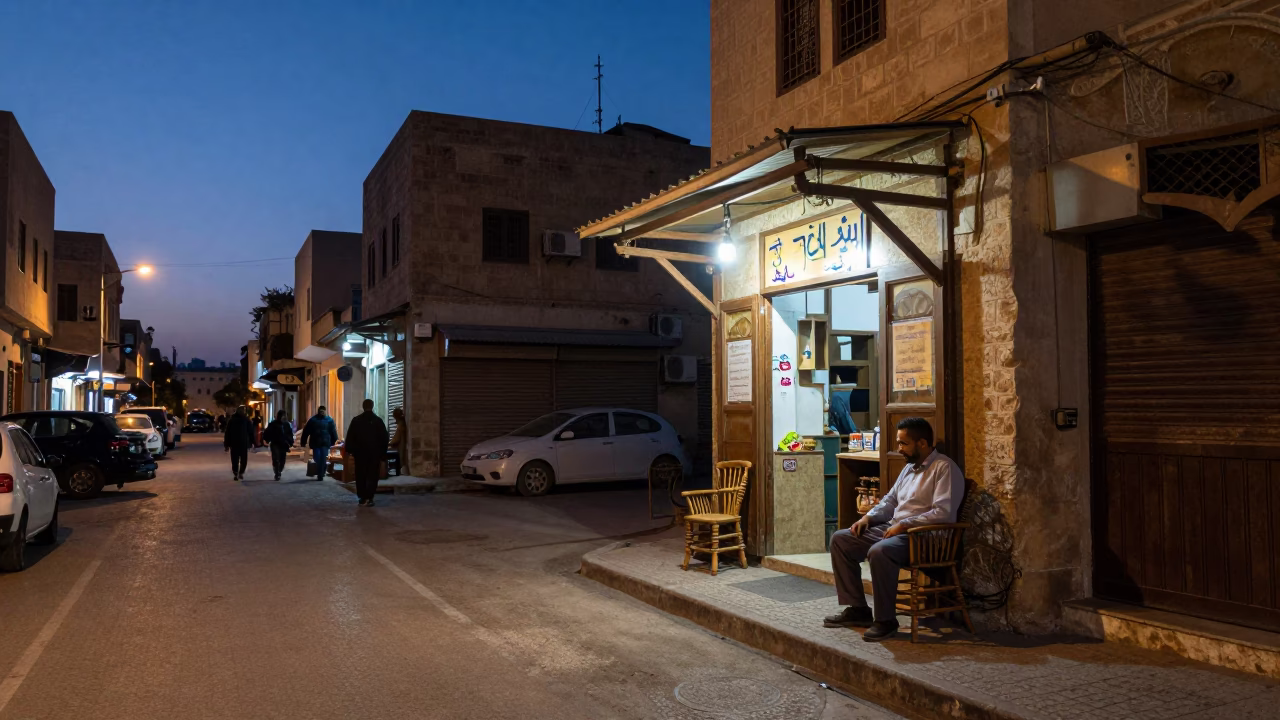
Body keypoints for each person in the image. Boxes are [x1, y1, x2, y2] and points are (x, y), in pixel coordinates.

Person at [824, 417, 964, 641]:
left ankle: (886, 620)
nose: (899, 449)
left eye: (903, 443)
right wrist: (868, 518)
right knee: (841, 540)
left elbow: (943, 513)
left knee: (880, 551)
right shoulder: (908, 468)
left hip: (925, 536)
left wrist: (905, 524)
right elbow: (889, 501)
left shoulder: (944, 468)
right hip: (896, 530)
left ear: (923, 443)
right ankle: (859, 609)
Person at [344, 399, 389, 507]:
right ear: (372, 406)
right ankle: (370, 497)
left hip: (360, 454)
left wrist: (350, 450)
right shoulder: (378, 421)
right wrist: (383, 453)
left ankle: (362, 497)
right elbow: (384, 438)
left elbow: (350, 437)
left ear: (363, 407)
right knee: (372, 475)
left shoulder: (356, 421)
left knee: (361, 475)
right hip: (374, 454)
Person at [300, 406, 339, 481]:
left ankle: (321, 474)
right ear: (318, 411)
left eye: (323, 411)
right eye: (320, 411)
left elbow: (333, 431)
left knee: (323, 458)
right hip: (316, 443)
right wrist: (303, 442)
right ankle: (320, 471)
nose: (322, 413)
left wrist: (335, 440)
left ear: (325, 411)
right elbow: (306, 431)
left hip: (325, 443)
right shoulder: (313, 420)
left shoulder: (329, 420)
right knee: (317, 458)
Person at [223, 406, 254, 481]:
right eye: (242, 410)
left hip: (242, 443)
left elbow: (250, 432)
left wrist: (252, 442)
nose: (243, 412)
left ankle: (240, 472)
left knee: (242, 460)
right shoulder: (233, 420)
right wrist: (226, 444)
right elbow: (227, 433)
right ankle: (236, 472)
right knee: (235, 460)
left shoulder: (246, 420)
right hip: (235, 443)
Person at [263, 410, 294, 481]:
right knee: (276, 458)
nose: (284, 417)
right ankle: (277, 472)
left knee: (282, 460)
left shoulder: (287, 425)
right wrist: (266, 439)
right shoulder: (273, 424)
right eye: (283, 415)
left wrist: (290, 442)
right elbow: (267, 432)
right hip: (275, 443)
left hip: (284, 444)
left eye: (285, 415)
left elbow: (290, 434)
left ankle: (279, 469)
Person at [388, 407, 406, 476]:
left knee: (401, 460)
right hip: (400, 444)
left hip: (401, 445)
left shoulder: (401, 424)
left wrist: (389, 444)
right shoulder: (401, 423)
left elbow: (397, 438)